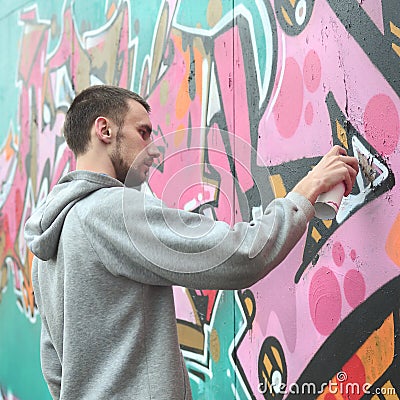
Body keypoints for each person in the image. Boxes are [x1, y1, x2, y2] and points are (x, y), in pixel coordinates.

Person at [24, 85, 359, 400]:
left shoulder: (50, 237)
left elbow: (54, 366)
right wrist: (307, 190)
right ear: (105, 130)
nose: (153, 150)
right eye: (143, 132)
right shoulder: (113, 211)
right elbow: (241, 256)